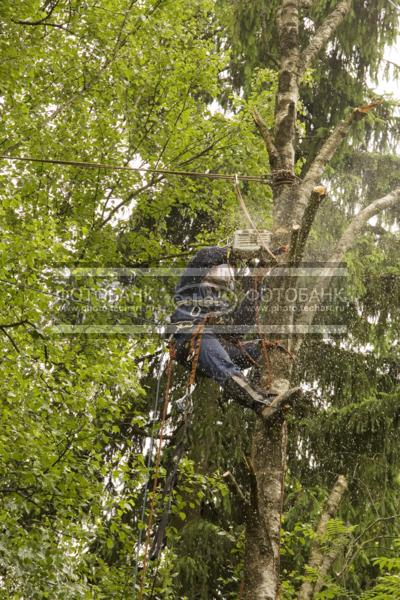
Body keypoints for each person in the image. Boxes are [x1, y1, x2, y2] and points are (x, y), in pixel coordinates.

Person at [170, 245, 298, 418]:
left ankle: (272, 391)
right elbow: (203, 256)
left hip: (218, 343)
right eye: (227, 266)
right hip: (191, 337)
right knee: (225, 367)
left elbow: (240, 327)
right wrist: (234, 251)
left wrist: (257, 280)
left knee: (265, 349)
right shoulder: (191, 285)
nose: (230, 270)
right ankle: (263, 404)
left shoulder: (220, 304)